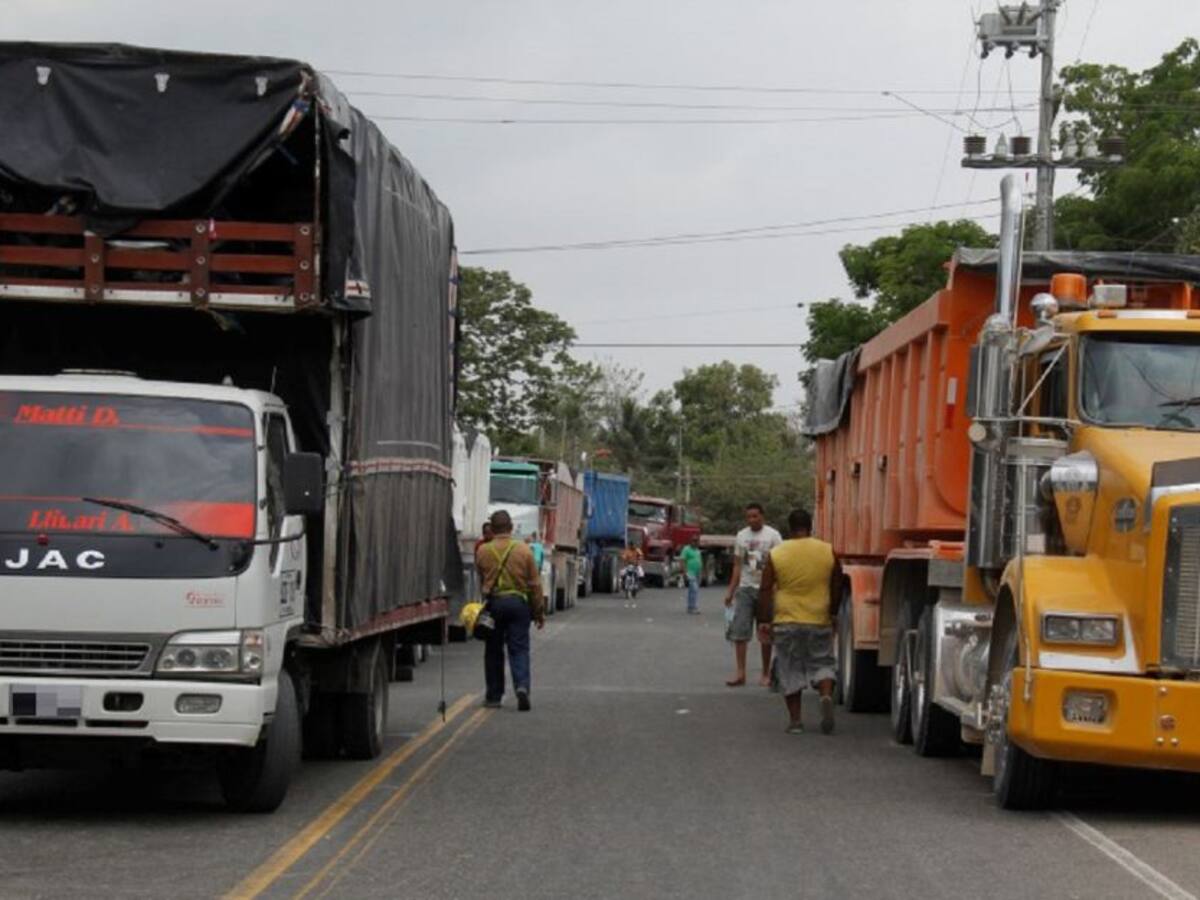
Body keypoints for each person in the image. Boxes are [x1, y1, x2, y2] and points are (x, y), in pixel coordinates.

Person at [756, 507, 842, 735]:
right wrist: (833, 612)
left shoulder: (778, 553)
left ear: (789, 528)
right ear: (810, 526)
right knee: (823, 661)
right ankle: (824, 695)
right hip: (818, 617)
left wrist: (764, 620)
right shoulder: (828, 551)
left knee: (790, 667)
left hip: (787, 619)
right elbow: (837, 584)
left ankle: (795, 722)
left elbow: (765, 588)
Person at [475, 510, 546, 711]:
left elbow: (482, 582)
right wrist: (538, 612)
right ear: (511, 528)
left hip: (495, 604)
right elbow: (534, 585)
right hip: (518, 604)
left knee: (493, 650)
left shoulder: (483, 551)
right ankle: (522, 686)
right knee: (519, 649)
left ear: (492, 529)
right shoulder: (524, 551)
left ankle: (494, 696)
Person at [724, 502, 782, 687]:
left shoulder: (773, 536)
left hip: (766, 590)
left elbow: (780, 564)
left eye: (755, 516)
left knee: (765, 631)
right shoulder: (742, 536)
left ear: (762, 516)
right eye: (749, 517)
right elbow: (737, 565)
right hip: (746, 589)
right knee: (740, 631)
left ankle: (765, 673)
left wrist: (778, 588)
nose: (752, 520)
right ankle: (740, 672)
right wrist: (731, 591)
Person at [679, 534, 703, 615]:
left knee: (692, 591)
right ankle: (693, 607)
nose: (695, 543)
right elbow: (682, 560)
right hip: (690, 573)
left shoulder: (697, 551)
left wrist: (700, 573)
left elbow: (699, 562)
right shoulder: (686, 549)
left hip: (696, 573)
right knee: (694, 589)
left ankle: (690, 607)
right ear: (691, 541)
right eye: (693, 541)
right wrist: (684, 572)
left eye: (696, 541)